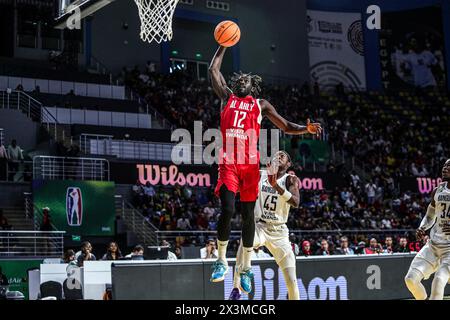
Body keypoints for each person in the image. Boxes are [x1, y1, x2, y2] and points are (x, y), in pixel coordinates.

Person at [209, 45, 322, 286]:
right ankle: (220, 260)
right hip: (229, 162)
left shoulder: (260, 105)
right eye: (239, 79)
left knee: (249, 215)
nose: (243, 81)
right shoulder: (226, 97)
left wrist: (306, 128)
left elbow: (285, 126)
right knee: (228, 209)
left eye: (247, 80)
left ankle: (247, 267)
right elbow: (213, 69)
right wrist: (223, 45)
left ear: (253, 87)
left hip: (250, 165)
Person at [229, 151, 301, 300]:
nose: (278, 156)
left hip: (279, 232)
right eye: (277, 155)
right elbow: (239, 183)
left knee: (292, 281)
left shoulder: (291, 179)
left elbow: (295, 202)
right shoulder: (260, 174)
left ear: (288, 164)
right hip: (260, 226)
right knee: (245, 240)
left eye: (283, 156)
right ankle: (236, 288)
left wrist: (276, 186)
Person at [405, 159, 450, 300]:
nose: (445, 168)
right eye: (444, 165)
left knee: (438, 281)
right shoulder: (438, 190)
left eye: (449, 166)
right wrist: (422, 227)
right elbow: (430, 216)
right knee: (411, 280)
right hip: (433, 244)